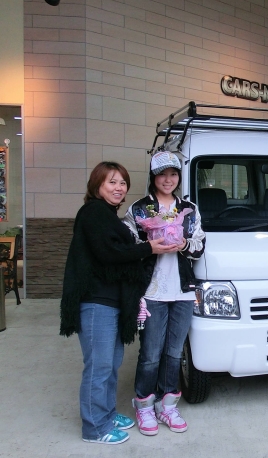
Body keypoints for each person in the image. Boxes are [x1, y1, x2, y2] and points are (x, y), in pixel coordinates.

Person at [60, 162, 177, 445]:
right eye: (112, 182)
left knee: (111, 364)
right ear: (97, 184)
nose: (119, 188)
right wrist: (149, 247)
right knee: (99, 367)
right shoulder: (93, 212)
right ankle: (94, 428)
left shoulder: (108, 214)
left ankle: (107, 415)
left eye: (122, 183)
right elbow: (109, 252)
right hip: (95, 302)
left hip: (111, 302)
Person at [124, 151, 205, 436]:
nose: (168, 180)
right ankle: (144, 404)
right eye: (162, 174)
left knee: (174, 352)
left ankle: (167, 404)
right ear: (153, 177)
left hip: (183, 291)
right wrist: (150, 247)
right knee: (150, 353)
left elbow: (200, 245)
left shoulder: (189, 209)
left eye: (173, 174)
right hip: (152, 291)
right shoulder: (139, 209)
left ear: (178, 177)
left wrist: (184, 244)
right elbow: (127, 249)